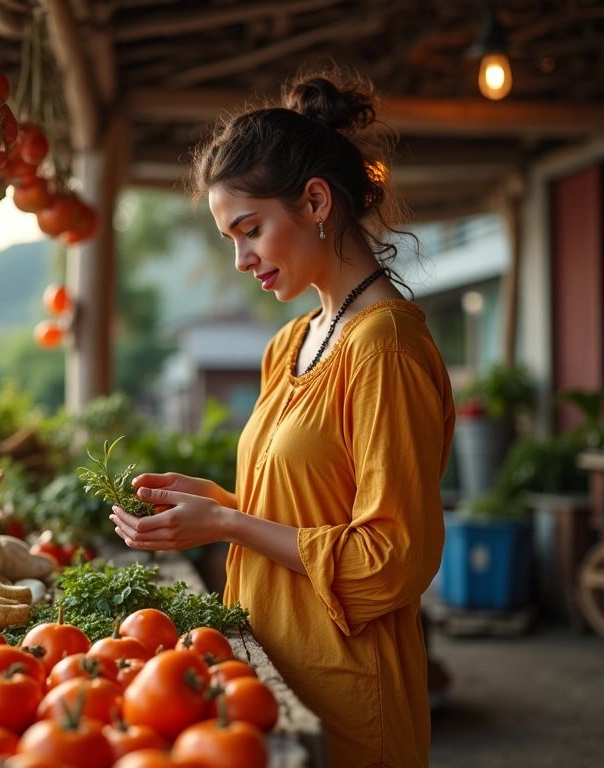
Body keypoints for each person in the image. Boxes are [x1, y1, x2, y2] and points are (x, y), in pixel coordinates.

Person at [110, 63, 456, 768]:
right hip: (269, 682)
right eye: (229, 240)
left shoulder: (385, 346)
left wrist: (232, 525)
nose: (241, 260)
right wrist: (222, 504)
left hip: (350, 704)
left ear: (317, 201)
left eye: (250, 230)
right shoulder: (290, 344)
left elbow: (393, 559)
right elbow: (317, 511)